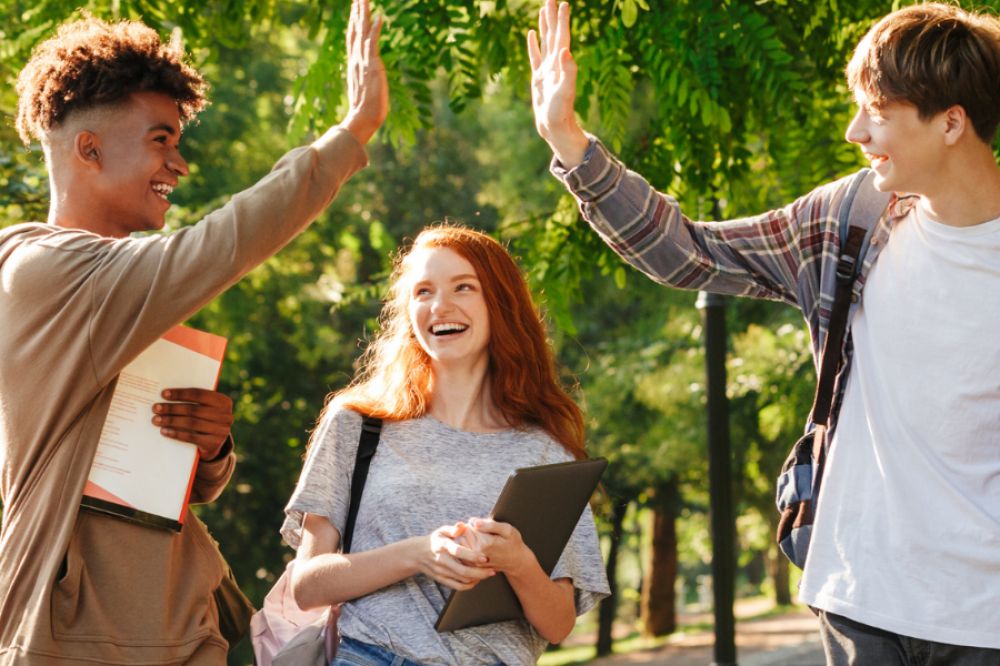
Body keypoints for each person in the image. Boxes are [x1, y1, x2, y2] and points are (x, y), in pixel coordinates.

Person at [528, 1, 1000, 664]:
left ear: (952, 122)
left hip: (983, 618)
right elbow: (694, 255)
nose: (852, 131)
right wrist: (571, 144)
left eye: (877, 111)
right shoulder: (852, 219)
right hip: (861, 595)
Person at [0, 0, 387, 662]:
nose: (178, 166)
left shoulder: (126, 291)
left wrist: (209, 449)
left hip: (181, 630)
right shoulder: (46, 270)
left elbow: (156, 480)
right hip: (81, 642)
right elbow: (222, 243)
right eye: (160, 140)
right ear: (87, 149)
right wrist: (352, 132)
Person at [281, 224, 610, 665]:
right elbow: (307, 586)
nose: (441, 306)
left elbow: (559, 624)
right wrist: (419, 554)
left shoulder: (544, 450)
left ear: (500, 303)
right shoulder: (359, 424)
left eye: (463, 287)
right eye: (423, 292)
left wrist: (517, 561)